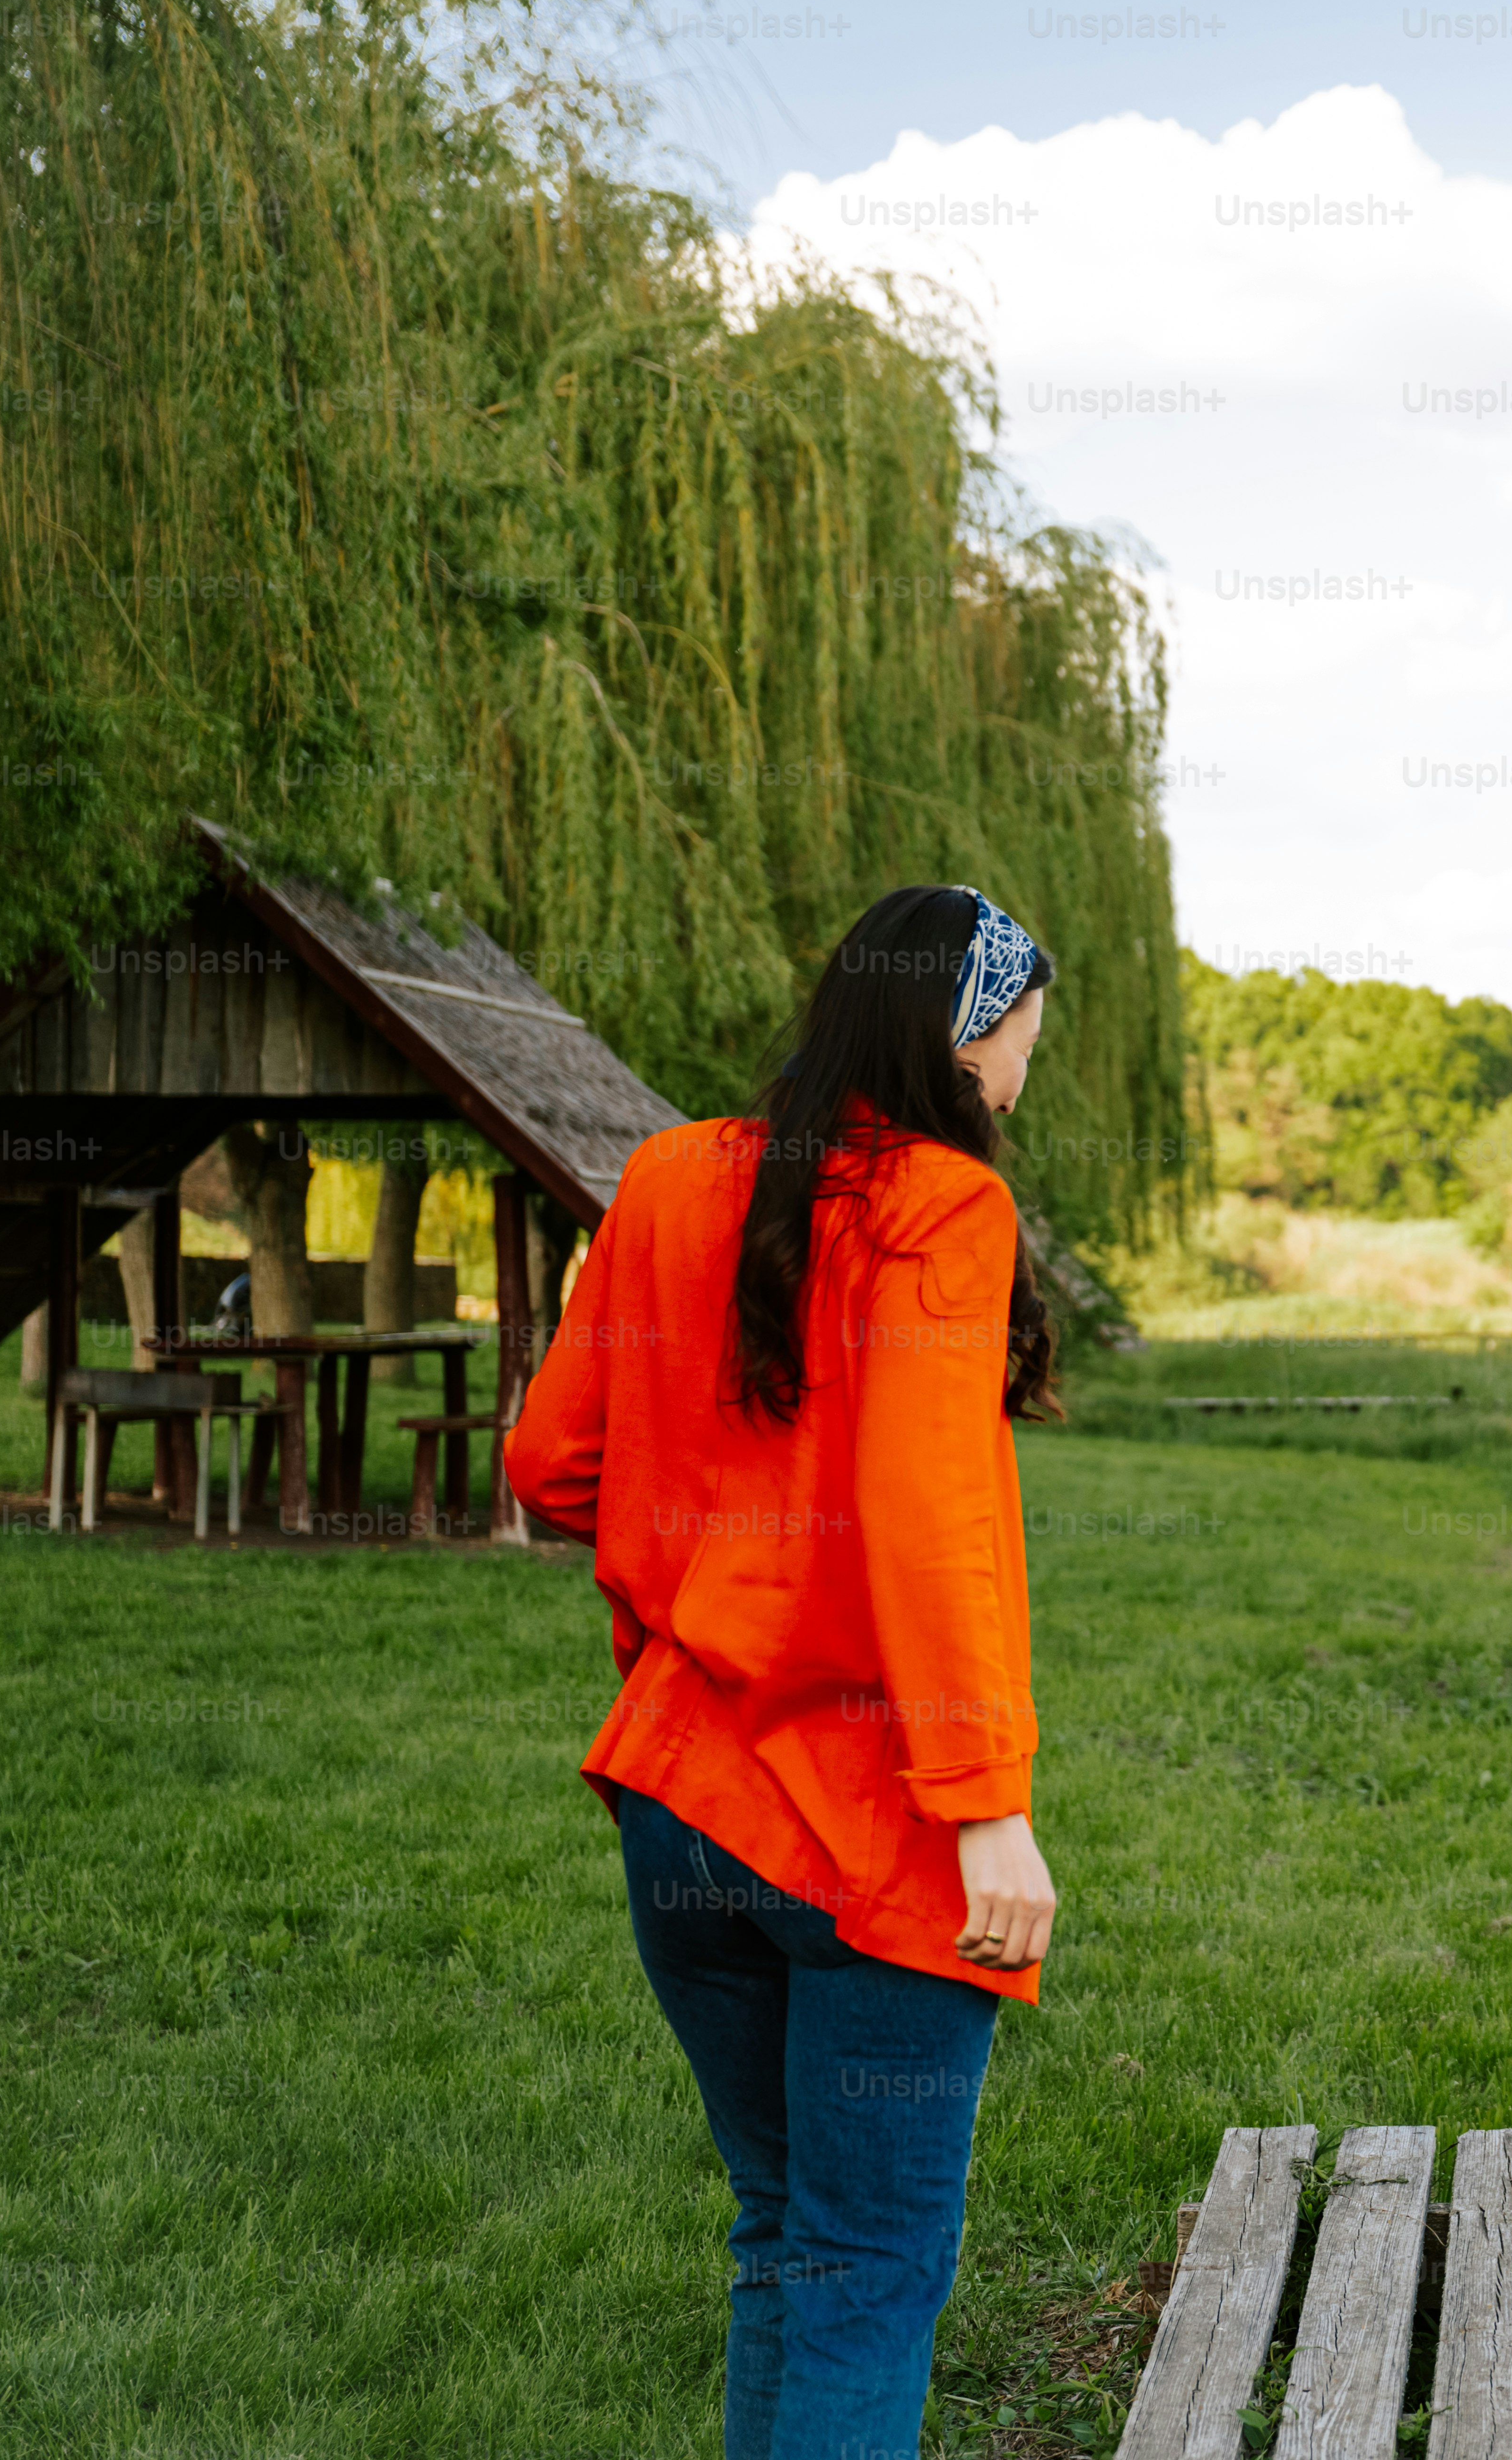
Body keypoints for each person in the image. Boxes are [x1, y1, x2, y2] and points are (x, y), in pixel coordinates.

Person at [507, 884, 1065, 2460]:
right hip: (864, 1816)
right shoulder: (944, 1207)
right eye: (1027, 1028)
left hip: (678, 1795)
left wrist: (697, 1565)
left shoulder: (674, 1173)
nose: (1029, 1065)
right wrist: (986, 1807)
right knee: (867, 2268)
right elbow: (930, 1517)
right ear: (969, 1028)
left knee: (784, 2239)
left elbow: (554, 1461)